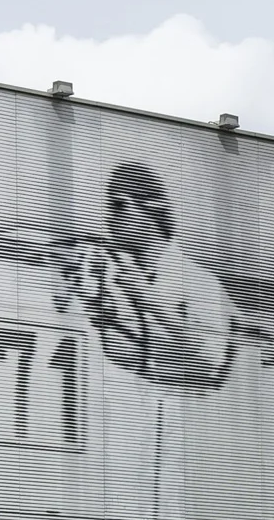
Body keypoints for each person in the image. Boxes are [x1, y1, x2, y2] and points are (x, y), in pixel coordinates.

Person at [67, 162, 237, 391]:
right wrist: (93, 306)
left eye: (119, 205)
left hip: (185, 417)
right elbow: (131, 364)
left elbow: (210, 362)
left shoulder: (198, 281)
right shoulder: (122, 274)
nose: (109, 218)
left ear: (152, 208)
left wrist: (149, 299)